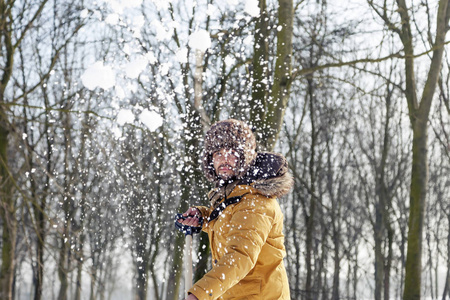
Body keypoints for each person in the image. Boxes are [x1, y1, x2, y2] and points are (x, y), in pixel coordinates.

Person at [178, 119, 293, 300]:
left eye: (231, 152)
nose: (224, 159)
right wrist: (203, 217)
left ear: (244, 157)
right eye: (217, 153)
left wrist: (198, 295)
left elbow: (240, 256)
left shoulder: (255, 202)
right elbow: (231, 223)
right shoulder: (234, 196)